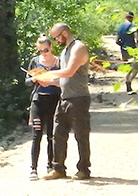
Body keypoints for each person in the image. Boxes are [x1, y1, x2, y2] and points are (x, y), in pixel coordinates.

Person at [38, 23, 91, 180]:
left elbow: (69, 72)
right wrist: (49, 82)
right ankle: (58, 169)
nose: (56, 41)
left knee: (81, 134)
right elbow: (63, 78)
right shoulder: (65, 51)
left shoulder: (78, 48)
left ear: (65, 33)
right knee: (58, 134)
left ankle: (84, 169)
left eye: (56, 37)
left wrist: (47, 74)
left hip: (79, 98)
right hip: (64, 97)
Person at [24, 35, 61, 180]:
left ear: (51, 47)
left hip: (54, 100)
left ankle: (50, 166)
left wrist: (51, 82)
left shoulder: (59, 62)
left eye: (45, 50)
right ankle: (33, 168)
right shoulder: (34, 62)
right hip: (38, 100)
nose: (43, 54)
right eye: (40, 51)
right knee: (36, 134)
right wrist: (34, 79)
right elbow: (26, 82)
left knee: (52, 135)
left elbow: (65, 80)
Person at [116, 11, 138, 94]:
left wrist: (123, 45)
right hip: (133, 49)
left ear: (125, 18)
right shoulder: (133, 27)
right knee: (135, 68)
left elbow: (117, 41)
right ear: (132, 18)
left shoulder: (120, 27)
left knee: (128, 67)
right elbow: (137, 39)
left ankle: (127, 82)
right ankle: (129, 81)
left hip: (123, 49)